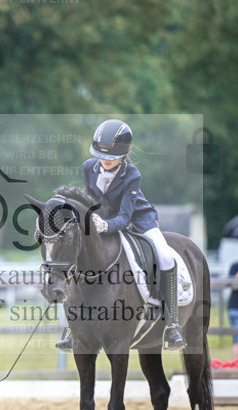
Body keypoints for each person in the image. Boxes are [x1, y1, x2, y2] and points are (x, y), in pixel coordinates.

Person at [56, 119, 185, 351]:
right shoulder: (88, 167)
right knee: (77, 254)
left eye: (112, 156)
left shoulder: (132, 175)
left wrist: (104, 226)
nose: (105, 160)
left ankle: (172, 323)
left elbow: (125, 217)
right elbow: (89, 199)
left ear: (124, 154)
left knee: (165, 256)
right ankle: (72, 326)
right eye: (101, 155)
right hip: (103, 218)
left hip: (138, 220)